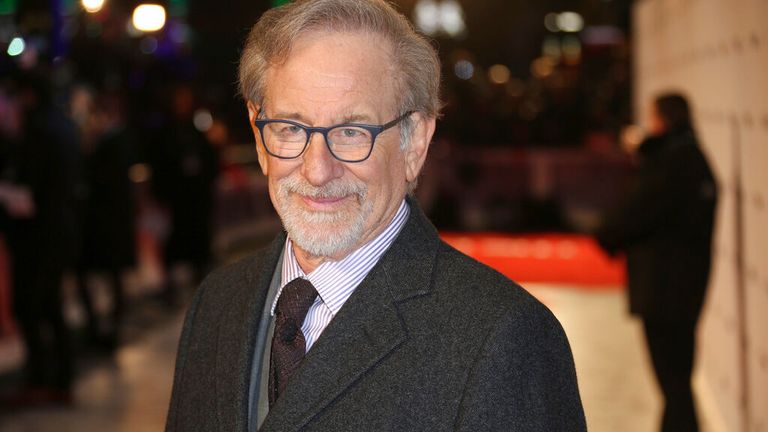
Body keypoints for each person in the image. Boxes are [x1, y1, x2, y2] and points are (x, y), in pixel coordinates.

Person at [166, 1, 585, 431]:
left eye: (351, 132)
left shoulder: (505, 340)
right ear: (258, 133)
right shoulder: (215, 305)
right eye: (290, 128)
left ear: (415, 142)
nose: (316, 170)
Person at [596, 93, 717, 432]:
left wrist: (606, 235)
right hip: (686, 286)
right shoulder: (693, 158)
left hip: (665, 289)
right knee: (677, 380)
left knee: (673, 382)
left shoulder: (672, 162)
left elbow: (635, 214)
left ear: (662, 120)